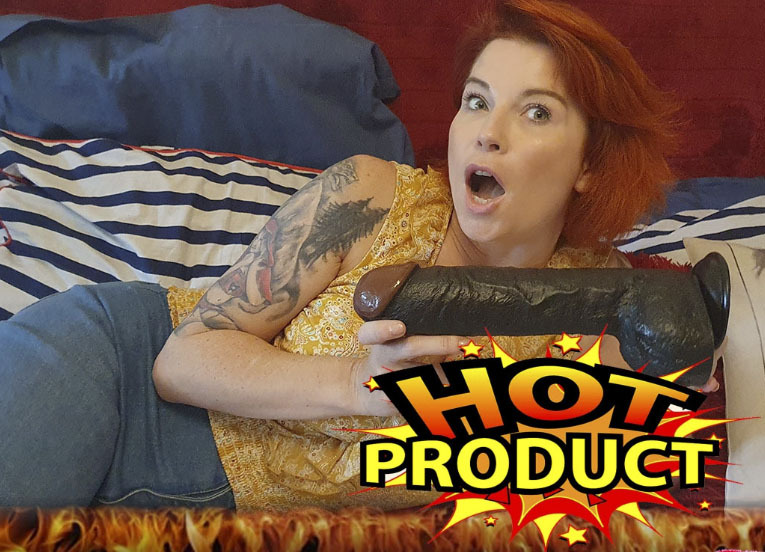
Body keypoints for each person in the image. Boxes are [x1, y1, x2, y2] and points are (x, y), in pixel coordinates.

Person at [0, 0, 689, 510]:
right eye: (476, 102)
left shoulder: (603, 304)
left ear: (590, 162)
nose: (488, 133)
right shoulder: (370, 194)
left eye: (536, 111)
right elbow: (180, 362)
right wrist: (357, 384)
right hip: (116, 376)